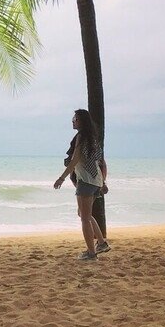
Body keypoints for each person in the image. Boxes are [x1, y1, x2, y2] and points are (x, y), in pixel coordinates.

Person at [54, 109, 110, 260]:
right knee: (84, 214)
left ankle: (91, 253)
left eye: (75, 119)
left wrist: (61, 178)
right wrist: (103, 182)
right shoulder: (92, 137)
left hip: (86, 181)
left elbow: (74, 160)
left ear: (82, 121)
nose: (73, 121)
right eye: (73, 118)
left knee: (84, 218)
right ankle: (102, 243)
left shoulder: (81, 137)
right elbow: (100, 162)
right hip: (95, 180)